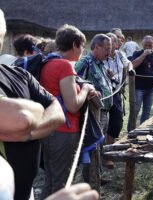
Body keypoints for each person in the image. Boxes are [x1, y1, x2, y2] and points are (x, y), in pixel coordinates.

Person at [0, 9, 65, 200]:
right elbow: (20, 118)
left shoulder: (19, 74)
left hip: (25, 189)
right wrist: (35, 110)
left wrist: (29, 133)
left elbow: (58, 111)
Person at [39, 24, 98, 199]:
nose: (82, 50)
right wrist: (86, 89)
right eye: (82, 46)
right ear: (74, 45)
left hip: (49, 129)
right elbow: (72, 105)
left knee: (51, 180)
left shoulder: (47, 62)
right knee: (61, 185)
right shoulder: (65, 66)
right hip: (64, 130)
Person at [75, 34, 113, 171]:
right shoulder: (85, 62)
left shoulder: (101, 63)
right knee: (93, 147)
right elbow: (75, 83)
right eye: (107, 49)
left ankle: (97, 175)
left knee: (100, 145)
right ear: (96, 47)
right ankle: (91, 181)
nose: (109, 52)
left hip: (104, 112)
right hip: (94, 113)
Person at [128, 35, 153, 131]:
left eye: (150, 45)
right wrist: (144, 55)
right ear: (142, 44)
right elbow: (133, 65)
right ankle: (131, 130)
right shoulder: (137, 53)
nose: (148, 47)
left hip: (151, 88)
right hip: (138, 88)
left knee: (147, 111)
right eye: (146, 45)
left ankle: (143, 129)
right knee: (135, 110)